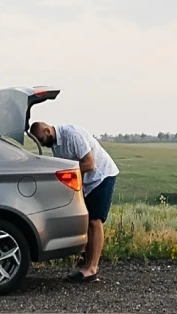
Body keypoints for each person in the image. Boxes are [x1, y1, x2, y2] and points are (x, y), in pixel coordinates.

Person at [29, 121, 119, 283]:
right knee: (86, 221)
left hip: (101, 177)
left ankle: (92, 269)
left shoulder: (72, 136)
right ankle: (87, 263)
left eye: (42, 140)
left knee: (95, 221)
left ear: (48, 130)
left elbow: (89, 164)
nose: (42, 144)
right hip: (86, 183)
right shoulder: (55, 144)